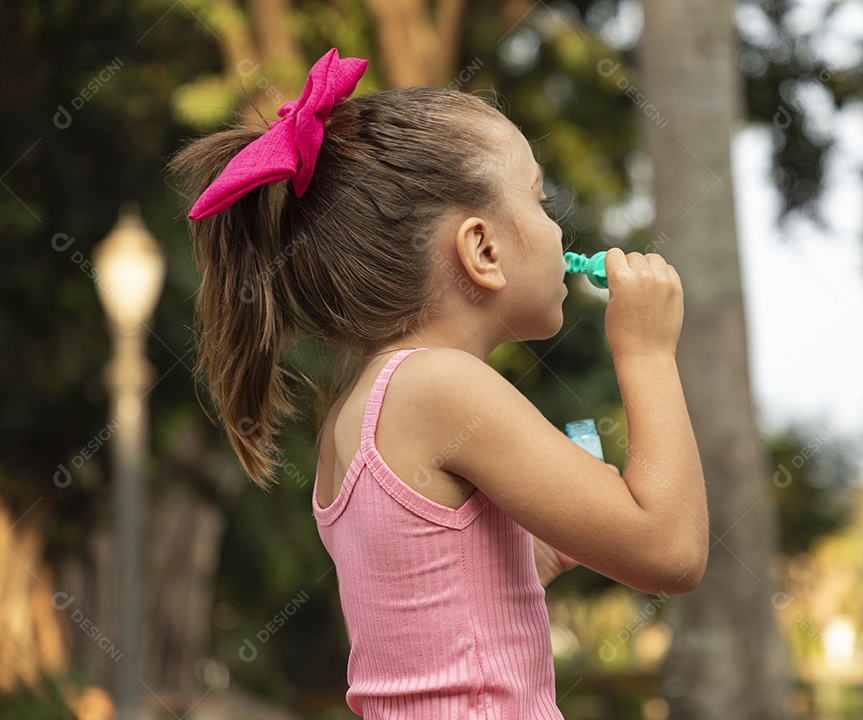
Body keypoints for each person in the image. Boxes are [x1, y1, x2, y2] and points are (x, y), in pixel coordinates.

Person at [171, 48, 707, 720]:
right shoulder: (440, 385)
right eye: (540, 200)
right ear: (481, 250)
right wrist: (648, 353)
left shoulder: (361, 410)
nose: (555, 226)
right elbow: (672, 551)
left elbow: (436, 615)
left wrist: (527, 561)